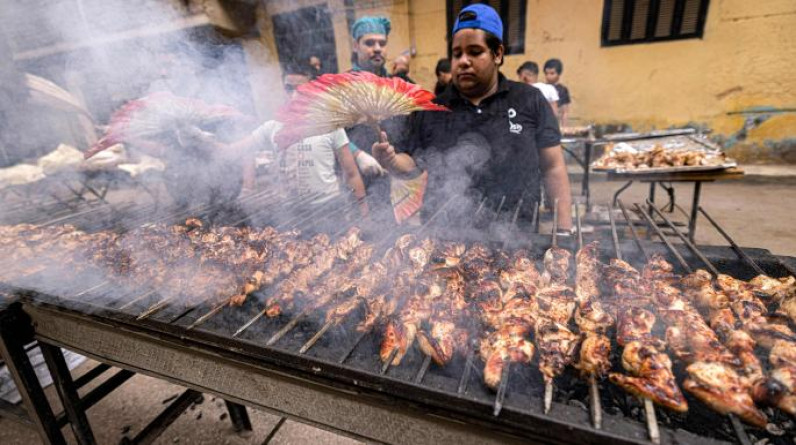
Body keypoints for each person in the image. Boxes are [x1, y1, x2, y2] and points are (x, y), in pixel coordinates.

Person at [371, 4, 573, 230]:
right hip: (443, 240)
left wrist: (563, 230)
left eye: (475, 52)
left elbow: (553, 167)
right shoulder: (432, 108)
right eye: (457, 54)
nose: (463, 61)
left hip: (517, 239)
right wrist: (391, 161)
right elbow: (412, 165)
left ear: (497, 54)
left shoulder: (529, 100)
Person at [230, 65, 369, 218]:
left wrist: (364, 213)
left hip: (329, 207)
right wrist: (246, 188)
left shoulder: (330, 125)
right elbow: (239, 149)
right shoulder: (273, 126)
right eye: (289, 89)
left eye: (302, 90)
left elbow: (351, 174)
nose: (294, 96)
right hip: (289, 211)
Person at [544, 58, 571, 126]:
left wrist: (564, 129)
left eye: (552, 73)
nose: (548, 76)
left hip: (555, 126)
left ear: (559, 74)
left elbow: (564, 112)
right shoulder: (542, 88)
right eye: (546, 73)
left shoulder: (562, 90)